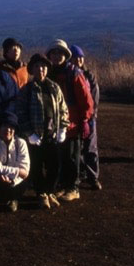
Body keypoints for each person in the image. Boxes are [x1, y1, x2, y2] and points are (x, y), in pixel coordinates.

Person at [17, 54, 69, 209]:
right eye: (37, 66)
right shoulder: (27, 90)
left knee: (55, 166)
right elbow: (21, 113)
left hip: (52, 134)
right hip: (36, 136)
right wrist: (29, 133)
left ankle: (49, 192)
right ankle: (41, 194)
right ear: (32, 69)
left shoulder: (54, 87)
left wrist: (63, 128)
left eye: (44, 67)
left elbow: (63, 109)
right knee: (37, 167)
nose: (41, 69)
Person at [46, 39, 94, 202]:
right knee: (61, 156)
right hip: (54, 124)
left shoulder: (74, 73)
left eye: (60, 53)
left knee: (73, 156)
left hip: (72, 123)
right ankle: (64, 186)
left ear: (66, 55)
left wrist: (85, 120)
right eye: (54, 53)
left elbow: (86, 100)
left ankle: (73, 188)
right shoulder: (50, 72)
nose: (57, 56)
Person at [0, 112, 30, 212]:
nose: (8, 130)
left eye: (11, 127)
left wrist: (12, 181)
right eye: (4, 126)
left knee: (24, 182)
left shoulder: (21, 143)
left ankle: (13, 199)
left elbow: (25, 169)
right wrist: (18, 172)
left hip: (15, 182)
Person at [69, 45, 102, 190]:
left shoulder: (89, 76)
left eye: (81, 57)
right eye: (76, 57)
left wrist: (91, 117)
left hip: (89, 118)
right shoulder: (69, 75)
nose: (79, 60)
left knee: (90, 148)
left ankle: (93, 177)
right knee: (77, 149)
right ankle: (81, 173)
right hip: (75, 119)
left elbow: (94, 99)